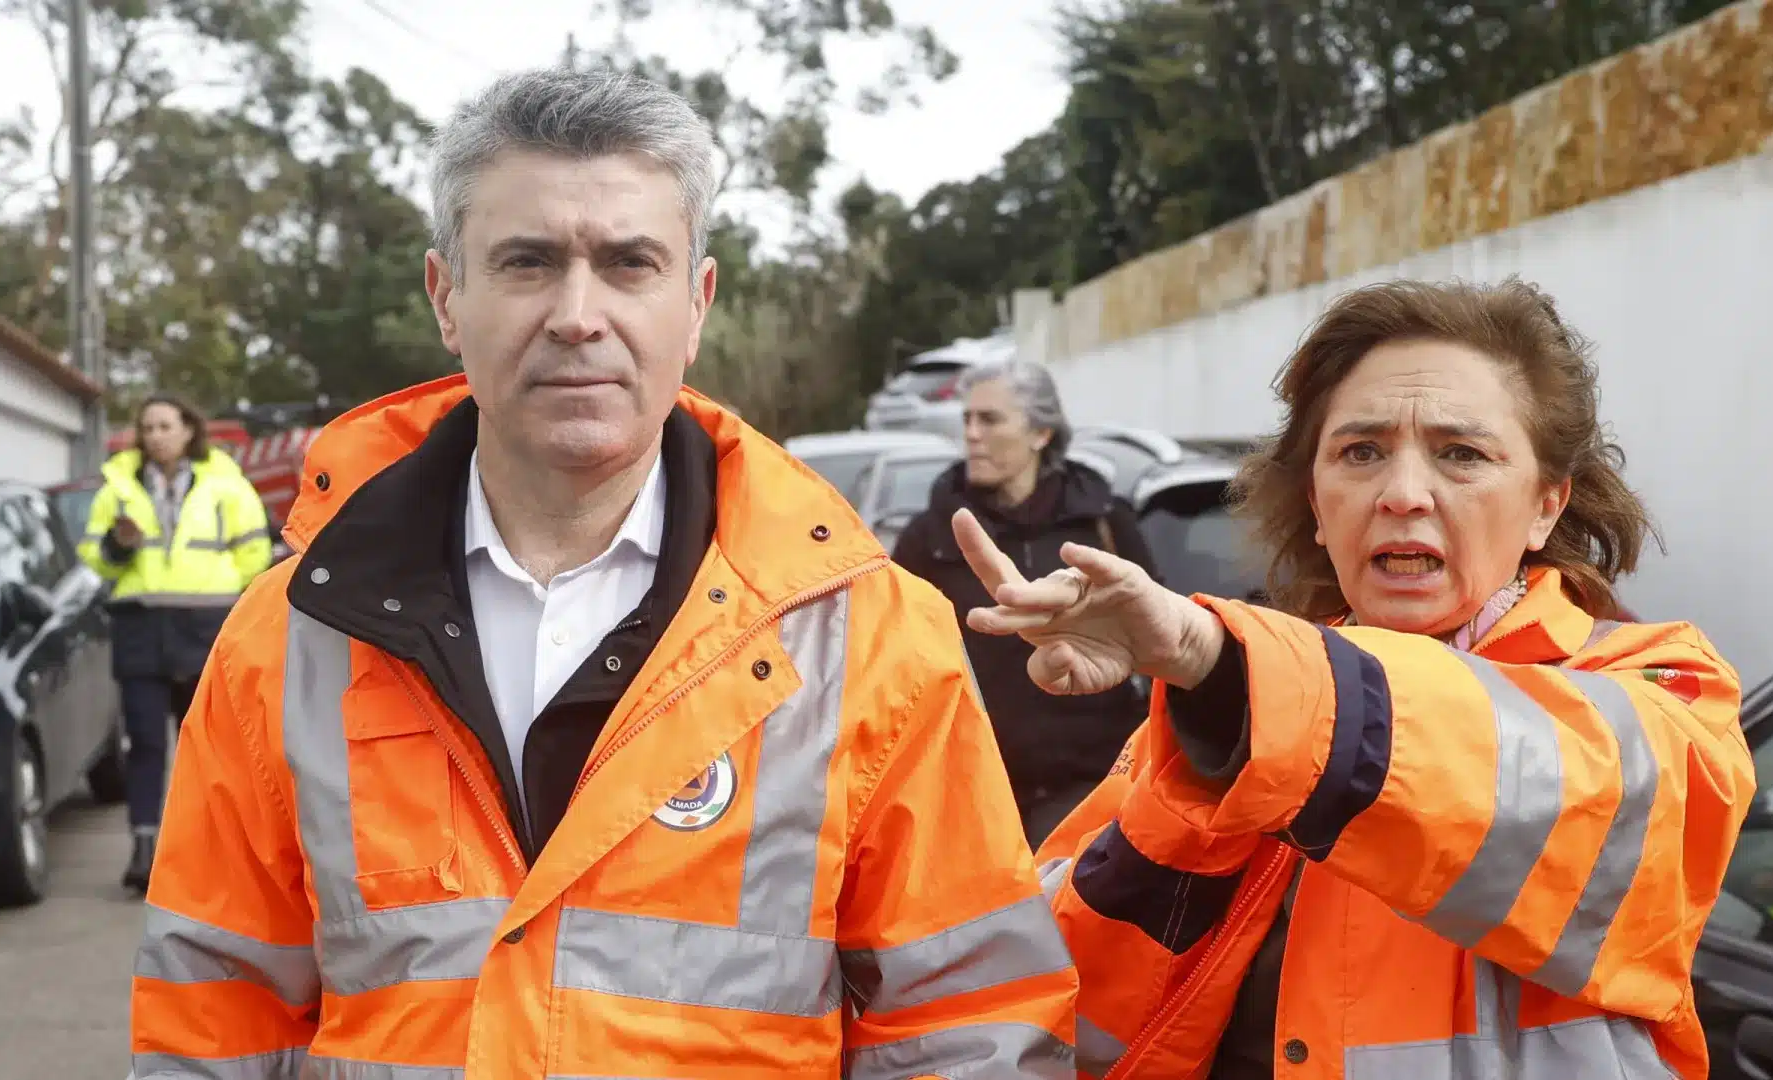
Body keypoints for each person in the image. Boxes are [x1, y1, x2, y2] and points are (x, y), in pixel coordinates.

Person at [127, 68, 1075, 1079]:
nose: (578, 315)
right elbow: (212, 1017)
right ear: (447, 298)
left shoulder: (871, 637)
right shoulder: (290, 640)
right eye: (527, 262)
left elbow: (969, 1025)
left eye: (629, 264)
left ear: (695, 303)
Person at [955, 279, 1756, 1078]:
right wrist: (1200, 776)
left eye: (1462, 454)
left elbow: (1538, 786)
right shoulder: (1228, 707)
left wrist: (1226, 673)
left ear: (1547, 506)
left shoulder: (1664, 687)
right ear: (1313, 500)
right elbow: (1061, 1004)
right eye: (1361, 452)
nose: (1403, 495)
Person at [891, 358, 1157, 848]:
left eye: (989, 420)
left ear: (1040, 433)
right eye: (967, 420)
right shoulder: (930, 537)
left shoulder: (1102, 525)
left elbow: (1157, 636)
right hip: (971, 792)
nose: (971, 434)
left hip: (1095, 787)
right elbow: (895, 663)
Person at [75, 392, 271, 893]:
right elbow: (96, 560)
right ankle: (144, 852)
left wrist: (227, 607)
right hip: (140, 627)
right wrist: (119, 546)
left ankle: (213, 856)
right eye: (147, 428)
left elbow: (254, 556)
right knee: (144, 744)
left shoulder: (227, 486)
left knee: (209, 748)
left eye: (164, 426)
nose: (155, 435)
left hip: (205, 628)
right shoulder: (117, 488)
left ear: (188, 429)